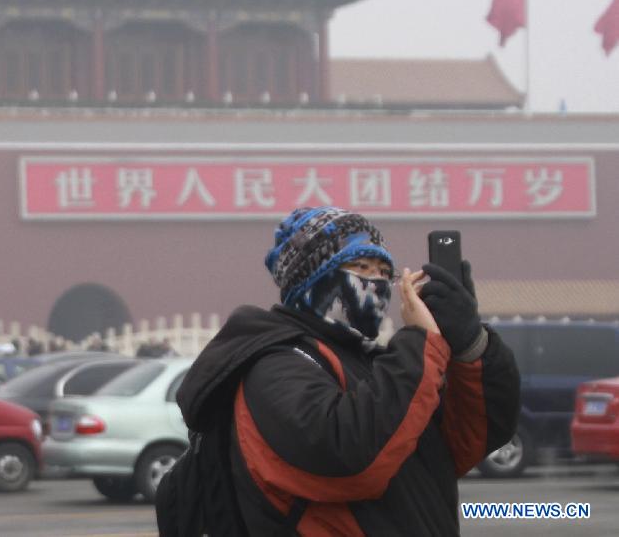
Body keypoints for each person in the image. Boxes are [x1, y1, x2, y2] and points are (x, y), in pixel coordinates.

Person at [175, 206, 520, 536]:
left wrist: (469, 343)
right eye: (362, 267)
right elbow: (351, 458)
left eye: (385, 272)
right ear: (312, 280)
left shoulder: (370, 361)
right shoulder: (273, 367)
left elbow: (470, 439)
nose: (378, 283)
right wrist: (419, 342)